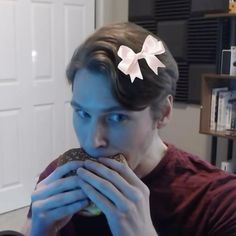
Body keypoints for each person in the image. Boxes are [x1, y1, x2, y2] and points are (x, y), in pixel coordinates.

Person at [22, 22, 236, 236]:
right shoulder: (58, 180)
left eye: (117, 117)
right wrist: (39, 231)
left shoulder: (221, 203)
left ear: (163, 112)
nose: (93, 140)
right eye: (83, 113)